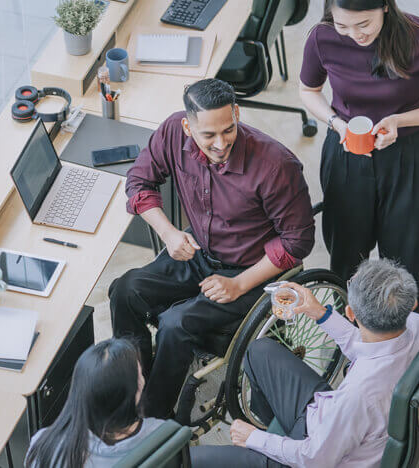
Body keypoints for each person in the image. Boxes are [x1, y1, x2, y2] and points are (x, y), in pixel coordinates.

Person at [109, 78, 315, 418]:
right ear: (188, 127)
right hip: (200, 251)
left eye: (228, 129)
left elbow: (297, 242)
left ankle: (152, 417)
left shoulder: (277, 165)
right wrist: (169, 233)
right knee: (124, 290)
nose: (220, 143)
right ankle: (135, 383)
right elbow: (138, 183)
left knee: (176, 324)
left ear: (236, 113)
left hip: (253, 271)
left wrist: (238, 285)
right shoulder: (173, 132)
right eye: (208, 136)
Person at [299, 0, 419, 318]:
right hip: (347, 152)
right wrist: (337, 124)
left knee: (409, 261)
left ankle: (408, 348)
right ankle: (349, 342)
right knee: (345, 256)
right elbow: (308, 90)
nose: (353, 35)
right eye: (343, 25)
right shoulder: (322, 37)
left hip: (411, 155)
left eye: (363, 24)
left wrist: (400, 121)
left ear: (385, 7)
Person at [191, 258, 419, 467]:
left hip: (314, 456)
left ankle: (272, 449)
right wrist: (320, 313)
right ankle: (275, 432)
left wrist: (253, 438)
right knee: (259, 350)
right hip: (336, 425)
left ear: (350, 314)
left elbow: (315, 460)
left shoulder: (358, 396)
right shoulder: (416, 324)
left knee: (192, 459)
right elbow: (369, 344)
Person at [24, 338, 167, 467]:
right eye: (139, 374)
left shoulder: (43, 446)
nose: (143, 379)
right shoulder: (162, 435)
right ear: (133, 393)